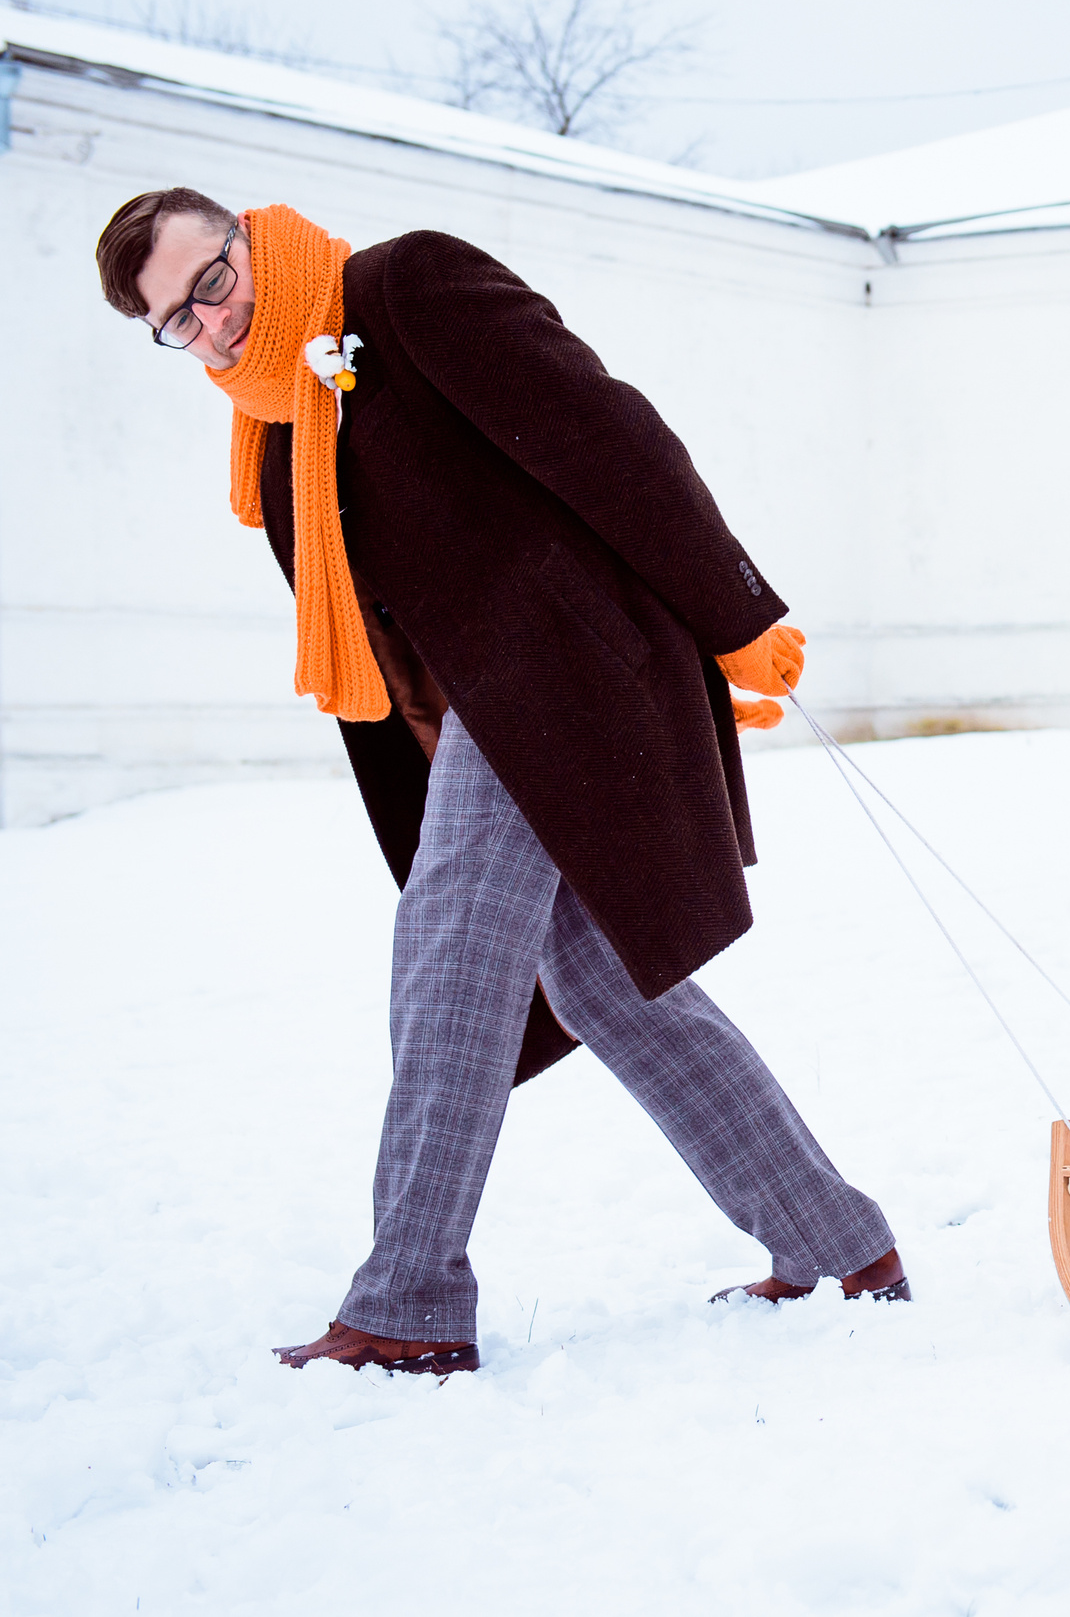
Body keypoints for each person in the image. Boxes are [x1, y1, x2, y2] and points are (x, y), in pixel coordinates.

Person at [95, 189, 905, 1377]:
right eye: (175, 323)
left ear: (251, 237)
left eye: (209, 284)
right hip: (469, 720)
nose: (209, 328)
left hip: (563, 675)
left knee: (450, 948)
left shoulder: (406, 285)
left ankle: (409, 1296)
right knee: (600, 979)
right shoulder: (273, 425)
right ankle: (836, 1242)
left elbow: (611, 436)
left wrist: (731, 613)